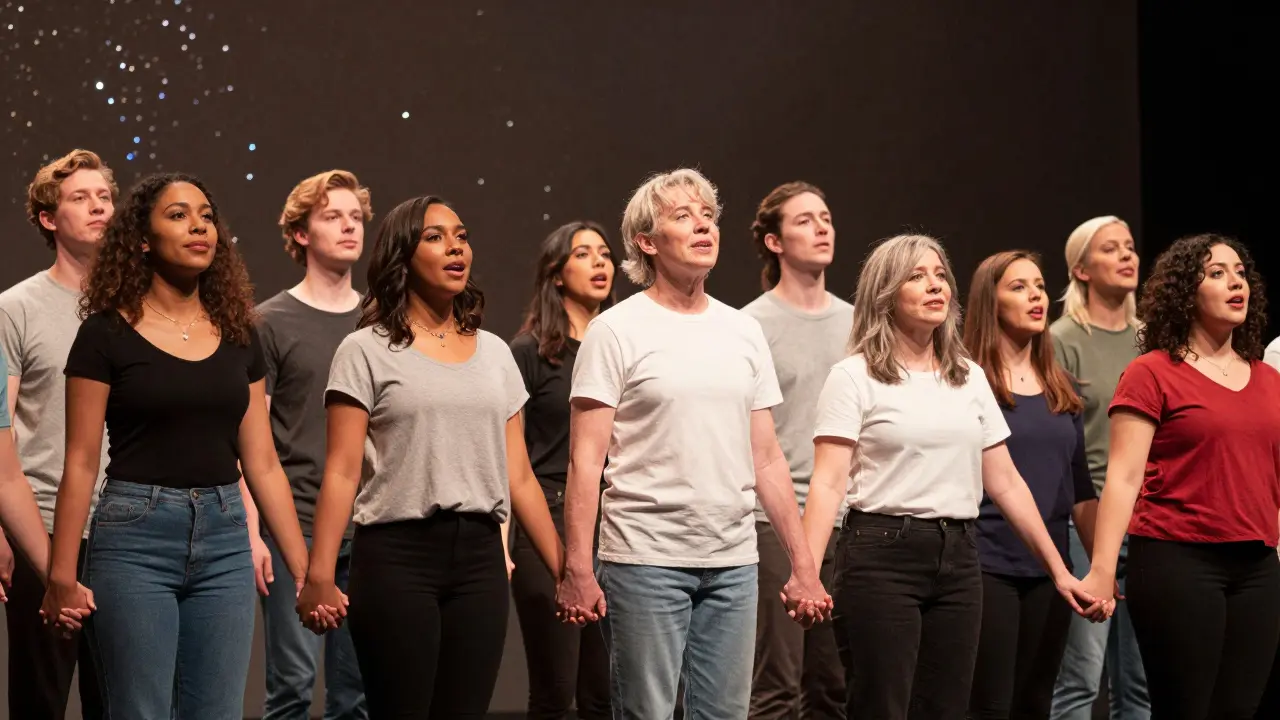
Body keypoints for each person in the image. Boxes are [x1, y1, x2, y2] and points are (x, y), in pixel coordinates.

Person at [39, 173, 317, 719]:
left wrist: (306, 572)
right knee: (141, 711)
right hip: (135, 535)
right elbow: (80, 462)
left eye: (207, 216)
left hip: (224, 537)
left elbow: (261, 462)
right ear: (141, 238)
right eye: (178, 215)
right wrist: (61, 575)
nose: (199, 227)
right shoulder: (105, 333)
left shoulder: (239, 333)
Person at [555, 168, 831, 719]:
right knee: (648, 712)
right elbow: (586, 461)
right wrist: (577, 570)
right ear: (647, 242)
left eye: (708, 215)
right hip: (644, 558)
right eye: (683, 216)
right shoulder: (617, 330)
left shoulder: (742, 331)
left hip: (732, 560)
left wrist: (803, 564)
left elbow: (768, 458)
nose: (703, 225)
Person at [800, 233, 1105, 720]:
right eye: (917, 277)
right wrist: (805, 571)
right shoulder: (854, 376)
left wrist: (1060, 570)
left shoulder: (967, 375)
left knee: (946, 708)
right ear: (886, 293)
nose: (935, 285)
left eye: (940, 275)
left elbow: (1005, 482)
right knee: (883, 705)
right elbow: (829, 483)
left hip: (960, 557)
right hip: (882, 553)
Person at [296, 194, 565, 718]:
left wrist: (566, 569)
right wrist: (320, 575)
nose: (455, 248)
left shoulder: (494, 353)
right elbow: (342, 471)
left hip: (480, 559)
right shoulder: (366, 350)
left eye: (461, 236)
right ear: (402, 255)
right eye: (436, 237)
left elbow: (521, 477)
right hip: (397, 557)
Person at [1080, 234, 1280, 719]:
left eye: (1240, 273)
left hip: (1257, 567)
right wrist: (1103, 571)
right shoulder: (1153, 373)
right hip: (1178, 562)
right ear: (1185, 292)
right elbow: (1123, 478)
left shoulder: (1269, 381)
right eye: (1216, 273)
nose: (1235, 283)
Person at [247, 170, 372, 719]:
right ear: (300, 233)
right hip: (293, 524)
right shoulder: (269, 322)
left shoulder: (380, 320)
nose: (348, 226)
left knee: (358, 689)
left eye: (355, 217)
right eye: (331, 216)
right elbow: (253, 441)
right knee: (293, 685)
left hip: (368, 526)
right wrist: (254, 533)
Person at [0, 148, 114, 720]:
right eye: (79, 197)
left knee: (120, 702)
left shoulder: (138, 310)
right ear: (49, 218)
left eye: (104, 197)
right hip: (42, 528)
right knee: (40, 700)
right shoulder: (15, 309)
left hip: (127, 535)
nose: (97, 207)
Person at [962, 251, 1100, 718]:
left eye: (1039, 286)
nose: (1036, 296)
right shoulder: (967, 382)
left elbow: (1080, 489)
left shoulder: (1060, 387)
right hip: (988, 562)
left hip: (1051, 568)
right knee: (990, 703)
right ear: (990, 300)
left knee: (1036, 701)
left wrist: (1099, 567)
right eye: (1018, 287)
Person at [743, 181, 852, 720]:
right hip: (776, 522)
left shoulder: (859, 323)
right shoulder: (750, 325)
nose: (822, 226)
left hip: (849, 520)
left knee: (833, 686)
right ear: (774, 241)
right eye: (805, 220)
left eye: (826, 216)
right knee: (776, 684)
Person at [508, 220, 616, 720]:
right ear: (555, 274)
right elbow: (507, 457)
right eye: (584, 254)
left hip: (616, 522)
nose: (600, 262)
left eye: (605, 253)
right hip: (545, 520)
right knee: (556, 686)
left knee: (606, 688)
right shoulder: (528, 353)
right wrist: (501, 538)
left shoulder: (622, 349)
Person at [1048, 216, 1149, 720]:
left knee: (1140, 682)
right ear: (1081, 269)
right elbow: (1062, 443)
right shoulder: (1061, 338)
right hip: (1087, 519)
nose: (1127, 257)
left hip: (1150, 519)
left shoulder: (1149, 339)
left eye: (1130, 247)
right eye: (1112, 249)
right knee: (1082, 677)